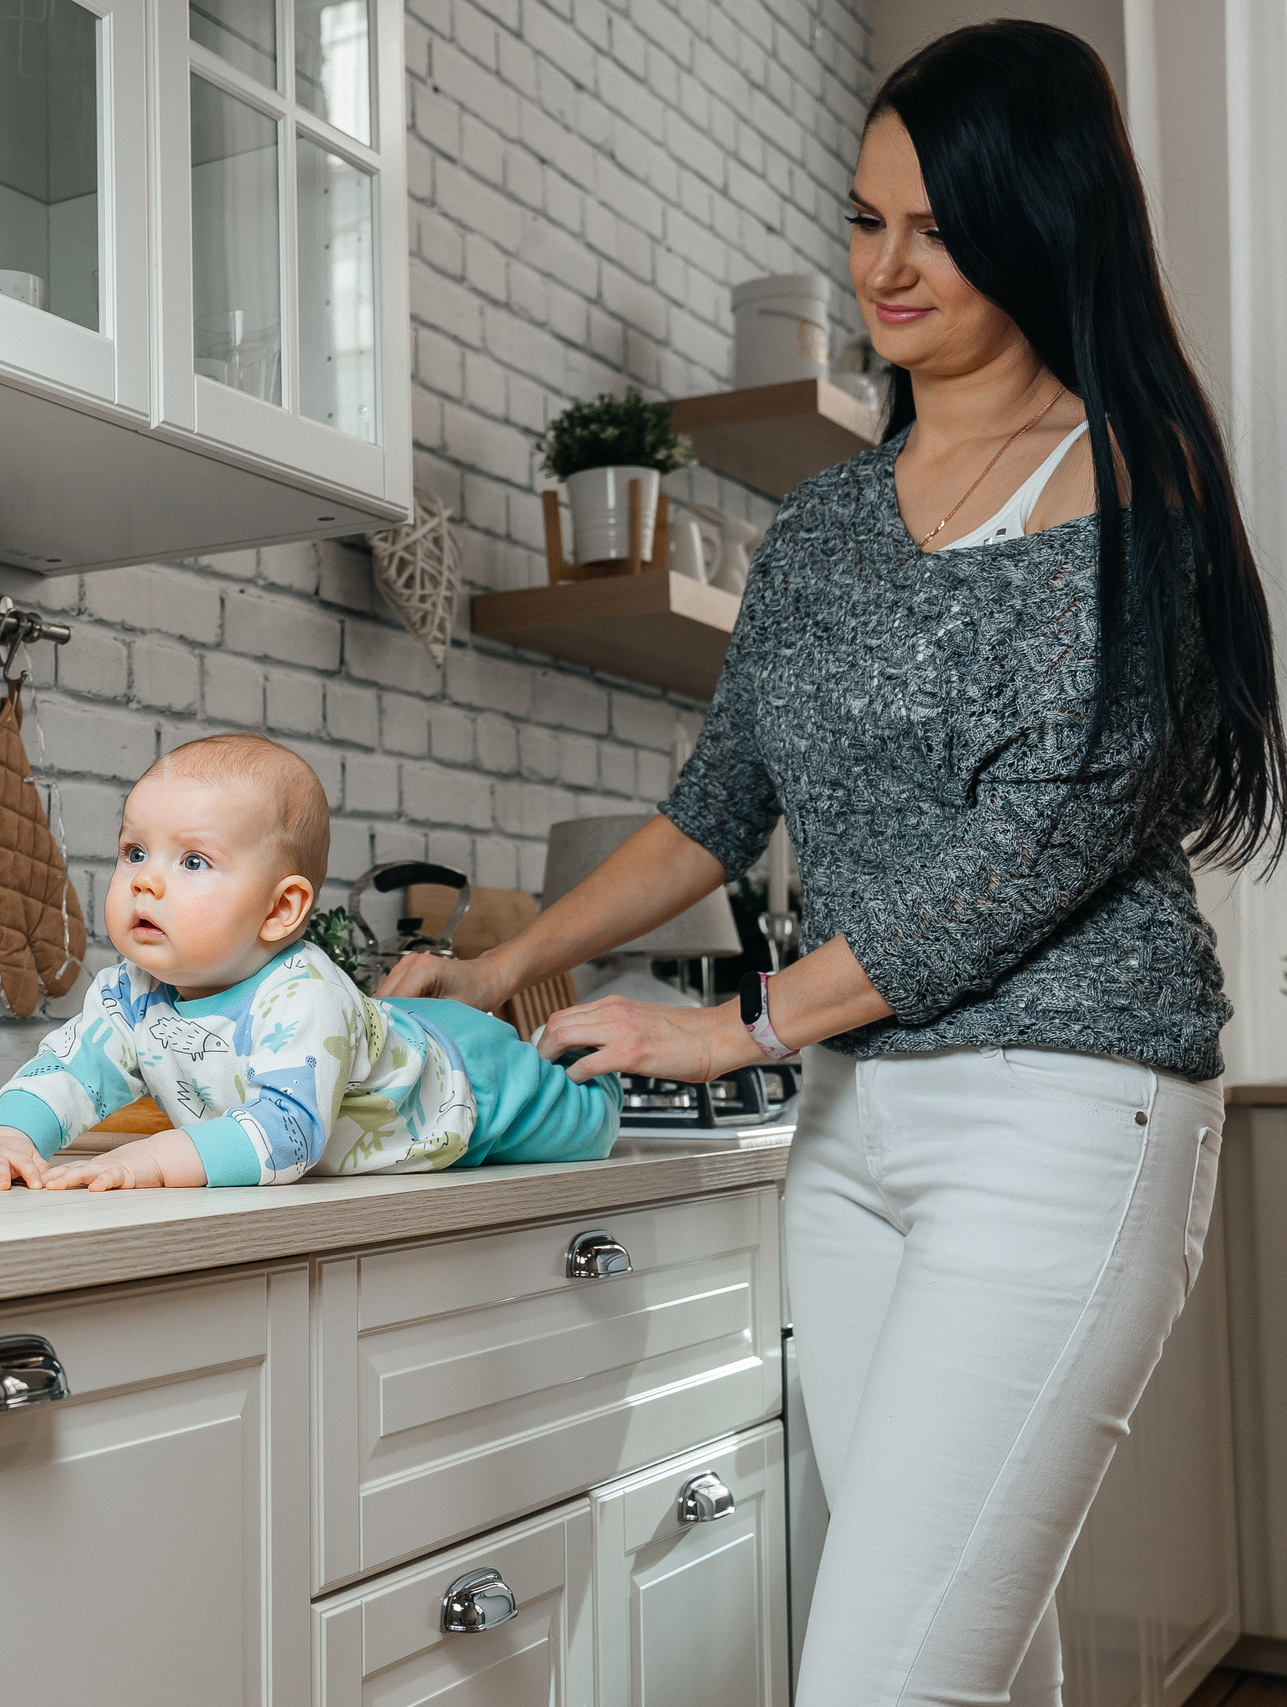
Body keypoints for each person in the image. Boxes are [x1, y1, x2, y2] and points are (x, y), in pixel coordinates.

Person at [379, 23, 1283, 1706]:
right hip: (858, 1135)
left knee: (879, 1679)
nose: (886, 264)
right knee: (969, 1659)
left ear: (1040, 221)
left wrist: (744, 1024)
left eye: (935, 226)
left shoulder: (1131, 476)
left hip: (1065, 1123)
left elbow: (1046, 844)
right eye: (866, 220)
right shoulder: (825, 529)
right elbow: (708, 809)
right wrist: (506, 964)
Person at [0, 733, 616, 1191]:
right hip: (378, 1029)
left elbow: (289, 1134)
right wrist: (8, 1140)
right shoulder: (131, 992)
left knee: (589, 1126)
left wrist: (149, 1160)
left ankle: (568, 1047)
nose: (144, 880)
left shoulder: (304, 993)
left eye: (193, 860)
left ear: (281, 910)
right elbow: (68, 1070)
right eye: (134, 851)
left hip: (463, 1085)